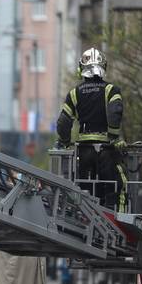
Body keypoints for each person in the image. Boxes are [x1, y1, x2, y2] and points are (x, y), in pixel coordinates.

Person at [55, 48, 128, 212]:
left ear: (81, 68)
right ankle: (116, 218)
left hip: (84, 152)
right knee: (117, 185)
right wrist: (114, 137)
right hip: (107, 151)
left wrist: (64, 142)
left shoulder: (74, 93)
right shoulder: (111, 90)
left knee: (84, 190)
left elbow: (63, 123)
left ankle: (83, 218)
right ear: (104, 67)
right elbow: (115, 113)